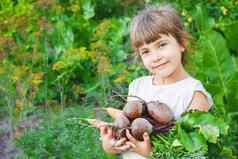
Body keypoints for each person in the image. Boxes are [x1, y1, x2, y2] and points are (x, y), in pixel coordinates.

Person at [99, 4, 213, 159]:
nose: (155, 57)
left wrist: (151, 154)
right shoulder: (138, 86)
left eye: (162, 45)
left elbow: (194, 154)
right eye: (146, 51)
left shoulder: (193, 94)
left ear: (181, 43)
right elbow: (127, 134)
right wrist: (110, 146)